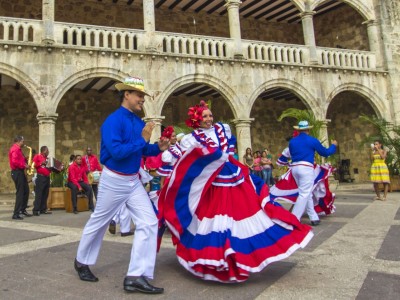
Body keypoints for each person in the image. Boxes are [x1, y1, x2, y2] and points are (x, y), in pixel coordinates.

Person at [159, 100, 313, 283]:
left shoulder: (222, 129)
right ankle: (218, 257)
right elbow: (169, 156)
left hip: (233, 178)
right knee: (215, 219)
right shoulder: (191, 139)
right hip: (213, 184)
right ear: (197, 120)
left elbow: (228, 149)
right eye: (205, 116)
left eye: (210, 115)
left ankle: (238, 254)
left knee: (243, 213)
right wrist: (167, 149)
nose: (209, 119)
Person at [74, 76, 169, 294]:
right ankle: (81, 261)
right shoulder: (113, 121)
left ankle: (136, 276)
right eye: (139, 95)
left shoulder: (137, 122)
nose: (142, 100)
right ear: (126, 94)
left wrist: (158, 147)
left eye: (143, 96)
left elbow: (142, 150)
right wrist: (143, 140)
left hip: (133, 180)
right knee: (99, 221)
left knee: (149, 222)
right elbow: (116, 152)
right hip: (113, 180)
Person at [288, 120, 337, 226]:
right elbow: (325, 153)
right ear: (308, 130)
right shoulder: (312, 140)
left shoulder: (292, 141)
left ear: (298, 130)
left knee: (307, 192)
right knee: (304, 193)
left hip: (295, 167)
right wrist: (333, 146)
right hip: (306, 168)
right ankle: (294, 218)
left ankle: (313, 217)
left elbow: (291, 154)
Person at [9, 135, 31, 220]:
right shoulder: (15, 149)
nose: (23, 143)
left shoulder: (18, 149)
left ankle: (22, 210)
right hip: (17, 172)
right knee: (20, 193)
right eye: (22, 141)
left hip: (20, 172)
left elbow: (18, 160)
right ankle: (16, 213)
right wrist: (25, 165)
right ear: (18, 141)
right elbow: (14, 162)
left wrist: (25, 159)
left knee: (26, 191)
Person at [32, 146, 53, 216]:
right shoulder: (37, 156)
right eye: (47, 151)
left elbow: (49, 168)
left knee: (45, 194)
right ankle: (36, 210)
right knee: (39, 194)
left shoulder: (47, 159)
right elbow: (33, 165)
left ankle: (43, 209)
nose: (48, 152)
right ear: (44, 151)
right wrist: (41, 163)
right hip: (40, 177)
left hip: (47, 178)